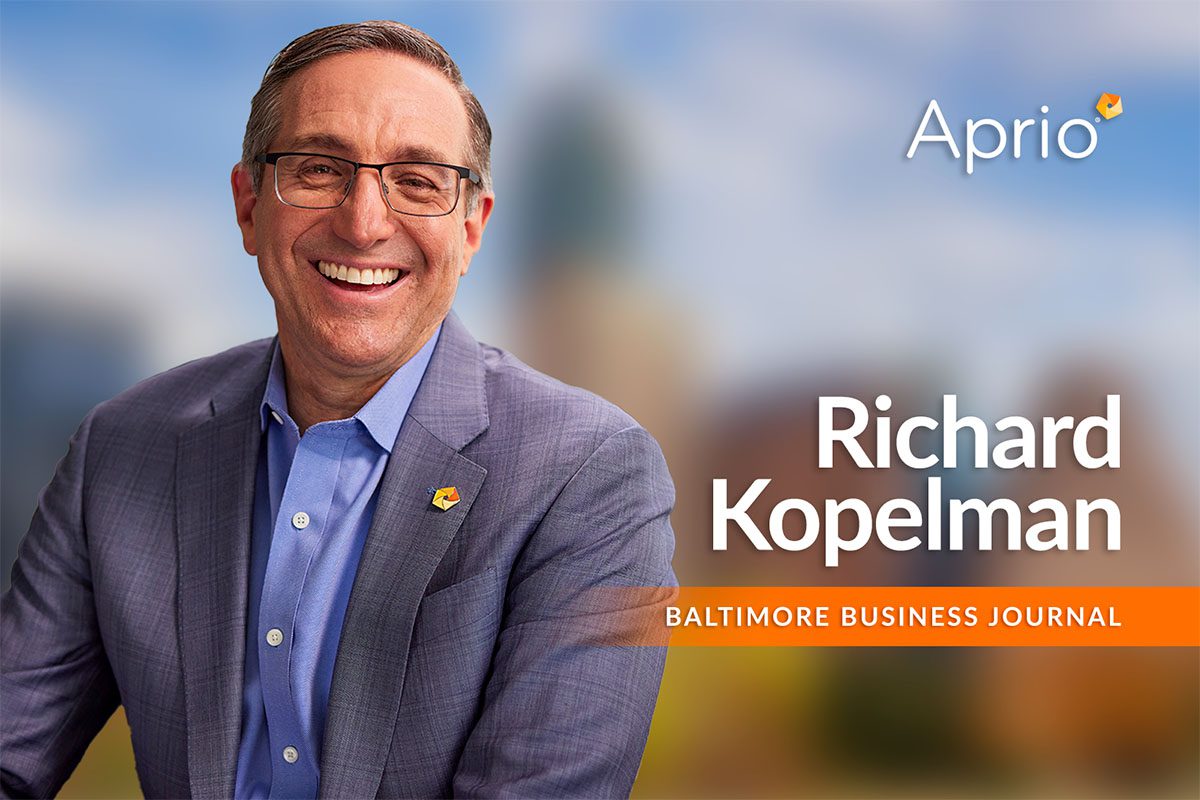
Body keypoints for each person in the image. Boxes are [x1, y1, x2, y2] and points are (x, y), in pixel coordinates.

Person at [0, 20, 676, 799]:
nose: (363, 222)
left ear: (471, 226)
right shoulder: (121, 449)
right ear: (250, 207)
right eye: (320, 169)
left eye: (418, 181)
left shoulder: (591, 474)